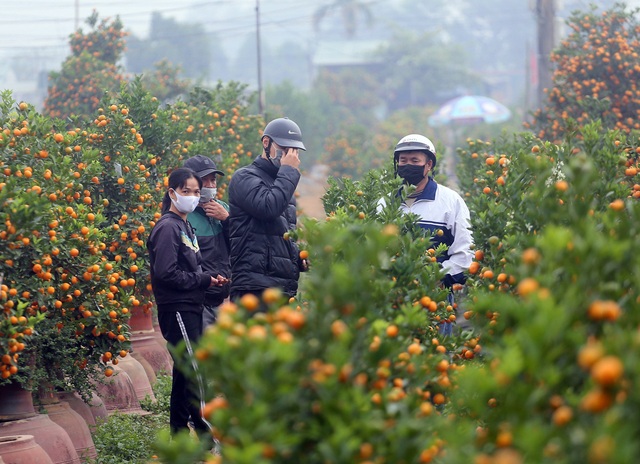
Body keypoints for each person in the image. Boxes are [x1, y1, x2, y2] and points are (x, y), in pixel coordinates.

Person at [147, 167, 226, 439]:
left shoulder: (185, 224)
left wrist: (207, 279)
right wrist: (202, 279)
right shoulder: (168, 227)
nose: (192, 197)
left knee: (184, 373)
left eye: (195, 192)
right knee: (195, 371)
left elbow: (188, 269)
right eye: (186, 191)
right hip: (178, 308)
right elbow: (166, 273)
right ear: (172, 193)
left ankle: (179, 435)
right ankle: (207, 432)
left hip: (190, 306)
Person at [392, 134, 474, 333]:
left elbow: (465, 253)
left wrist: (437, 277)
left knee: (434, 357)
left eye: (414, 161)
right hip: (394, 298)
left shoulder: (450, 201)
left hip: (434, 299)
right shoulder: (385, 204)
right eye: (403, 161)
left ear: (428, 165)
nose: (408, 165)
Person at [227, 117, 309, 304]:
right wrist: (288, 171)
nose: (289, 155)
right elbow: (268, 208)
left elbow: (280, 234)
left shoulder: (284, 186)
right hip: (254, 287)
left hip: (282, 288)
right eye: (284, 149)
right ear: (266, 143)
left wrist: (297, 258)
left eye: (294, 151)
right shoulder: (245, 177)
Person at [183, 155, 230, 326]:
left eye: (213, 180)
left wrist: (227, 220)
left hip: (222, 299)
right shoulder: (184, 215)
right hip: (198, 302)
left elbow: (241, 244)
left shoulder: (223, 208)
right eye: (205, 181)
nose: (210, 186)